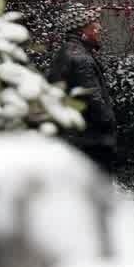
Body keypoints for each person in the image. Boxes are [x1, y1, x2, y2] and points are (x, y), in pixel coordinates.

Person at [43, 10, 118, 171]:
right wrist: (108, 122)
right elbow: (93, 99)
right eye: (94, 25)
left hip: (75, 138)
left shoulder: (66, 52)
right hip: (89, 140)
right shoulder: (80, 58)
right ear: (82, 30)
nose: (99, 28)